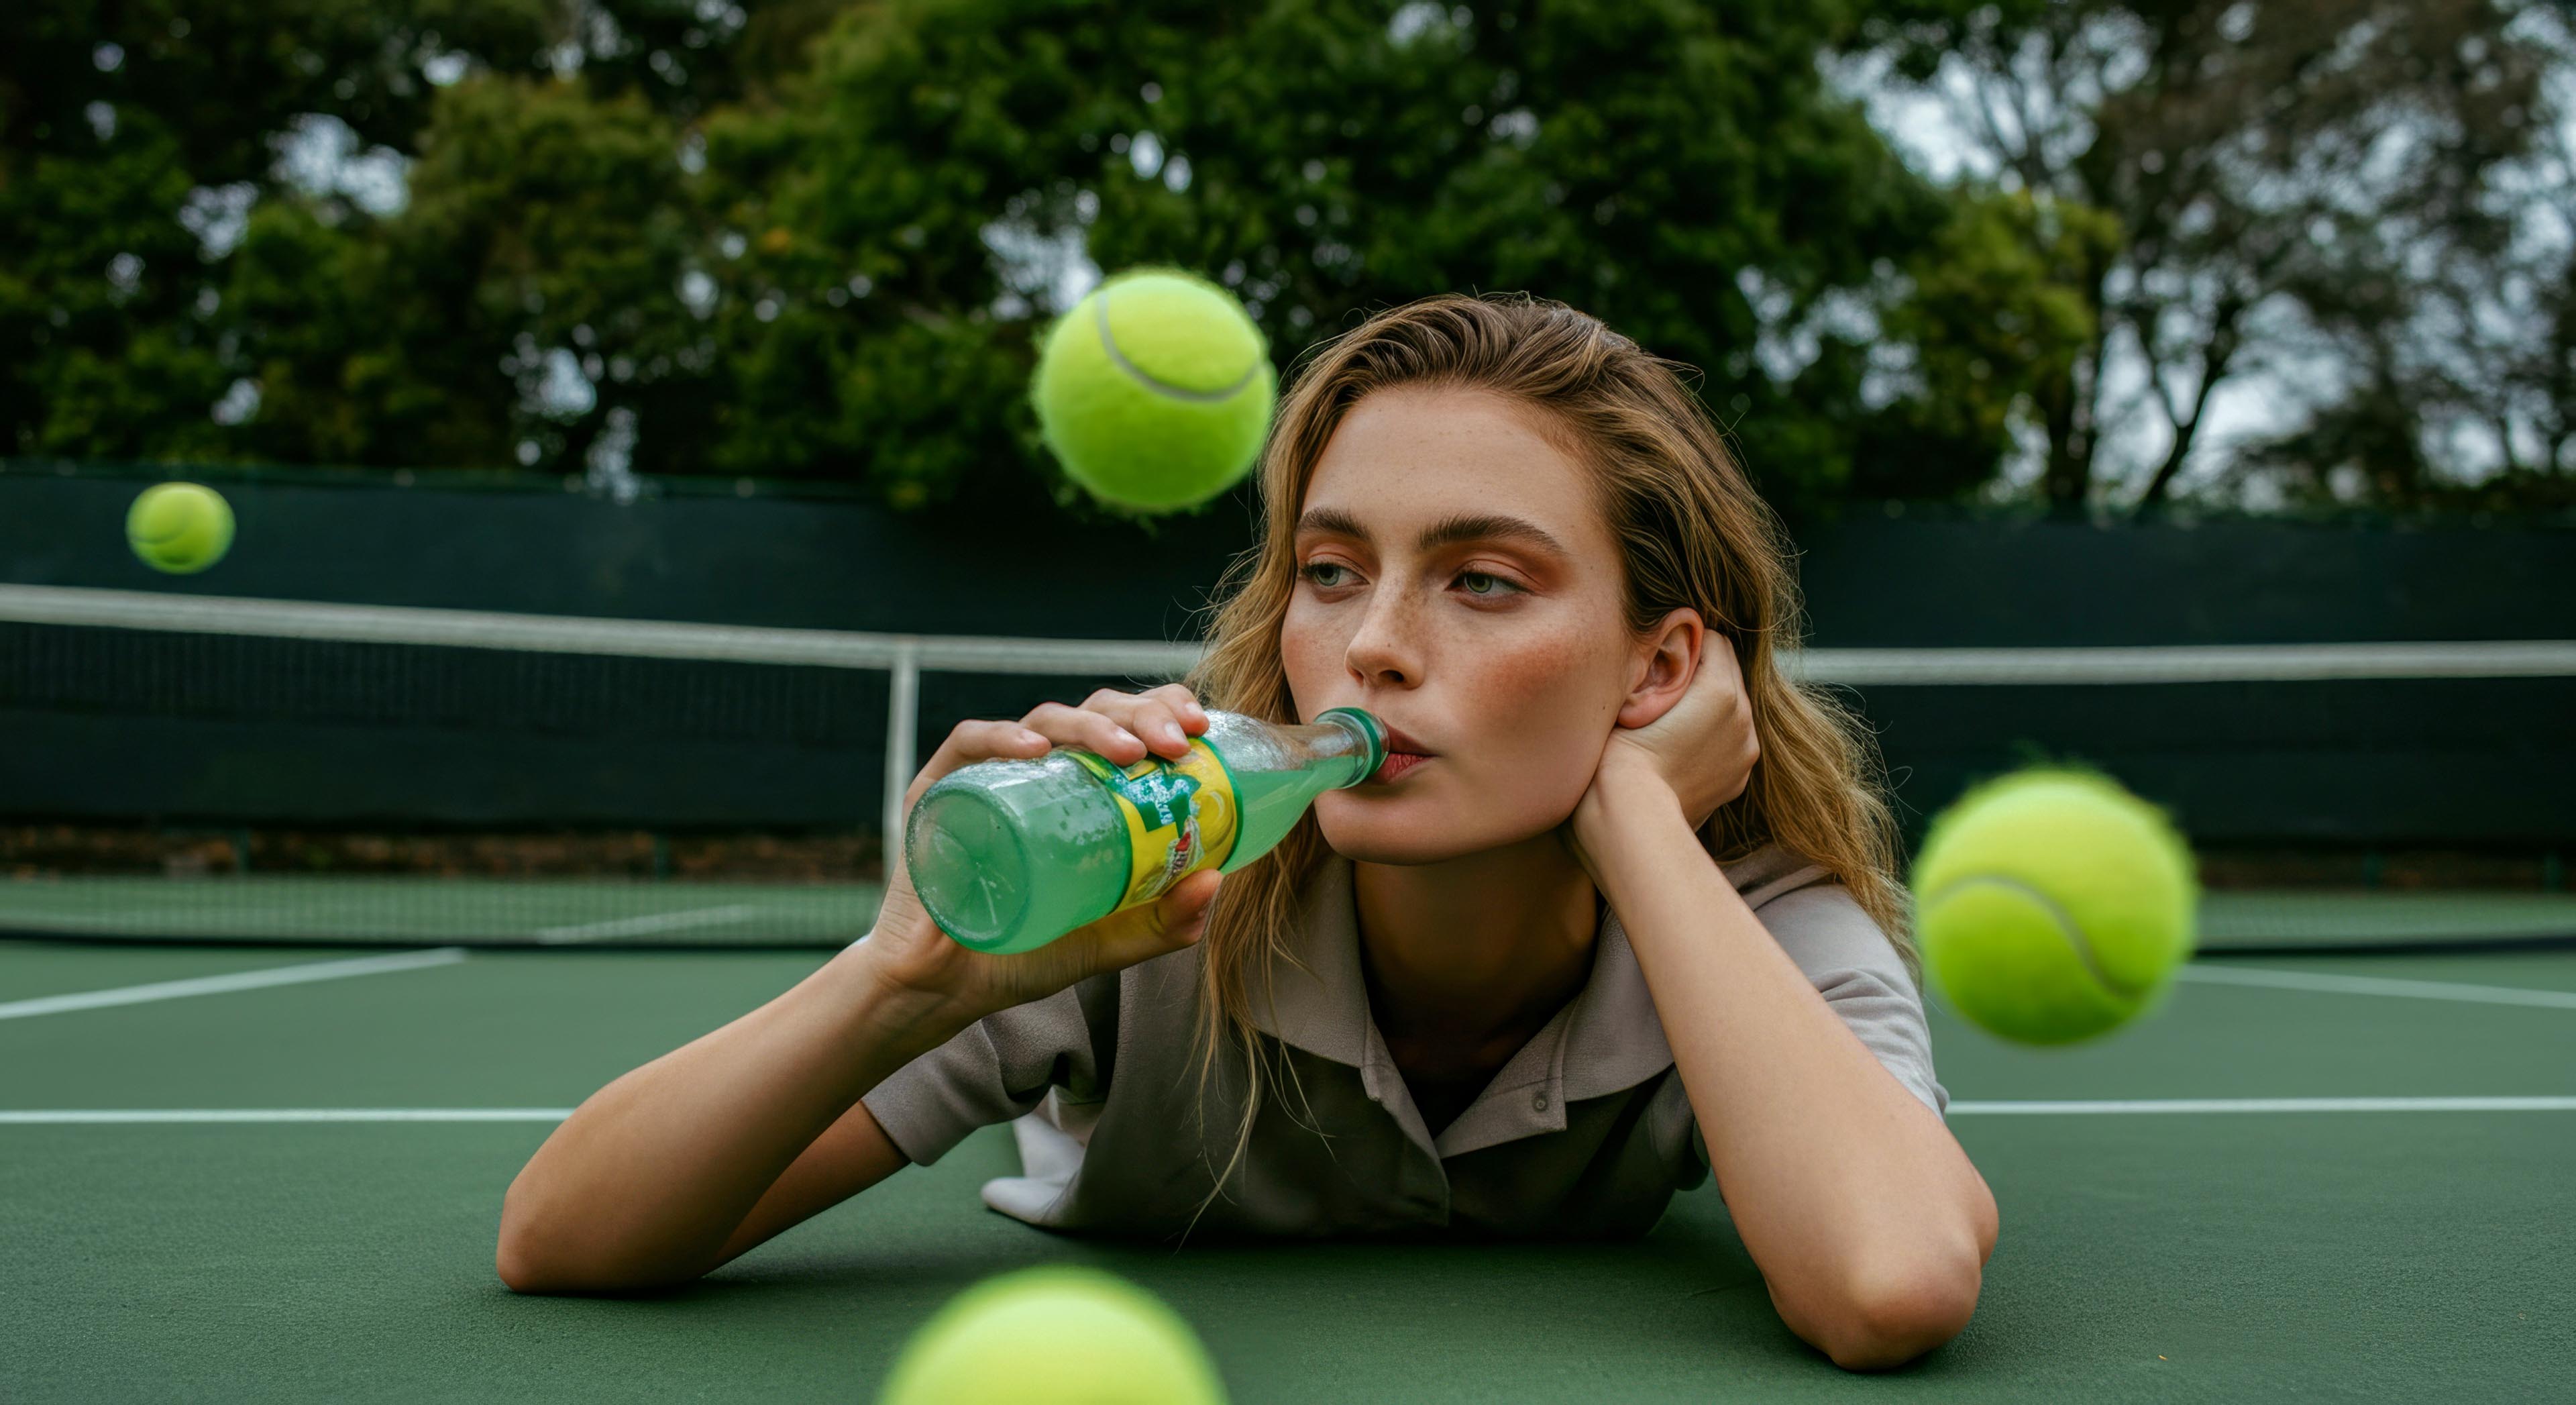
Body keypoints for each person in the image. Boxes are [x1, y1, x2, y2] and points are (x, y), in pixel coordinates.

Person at [496, 293, 1998, 1371]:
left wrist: (1644, 831)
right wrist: (909, 978)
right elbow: (561, 1236)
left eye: (1483, 580)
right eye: (1334, 572)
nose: (1374, 648)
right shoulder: (1147, 885)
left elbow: (1894, 1280)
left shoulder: (1755, 922)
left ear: (1660, 669)